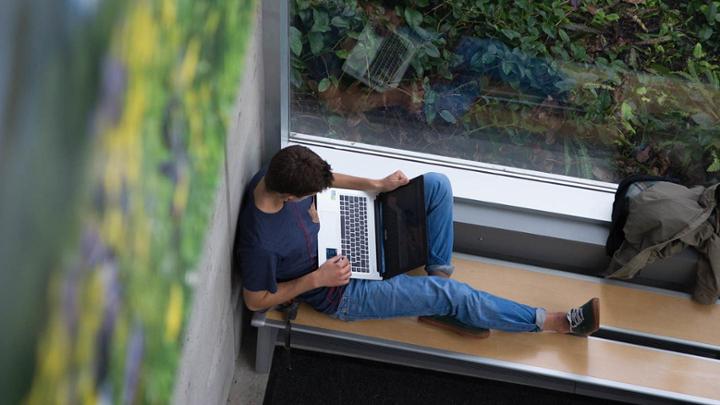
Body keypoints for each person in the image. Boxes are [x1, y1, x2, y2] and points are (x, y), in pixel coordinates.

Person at [236, 145, 600, 337]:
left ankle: (437, 287)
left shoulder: (280, 169)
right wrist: (315, 280)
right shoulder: (261, 242)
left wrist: (375, 185)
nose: (316, 194)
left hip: (344, 237)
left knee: (436, 186)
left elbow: (325, 179)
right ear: (289, 197)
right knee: (454, 295)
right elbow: (255, 300)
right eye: (309, 196)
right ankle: (554, 323)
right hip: (340, 289)